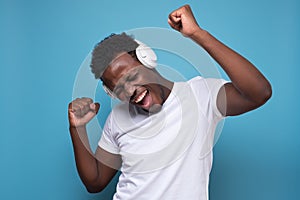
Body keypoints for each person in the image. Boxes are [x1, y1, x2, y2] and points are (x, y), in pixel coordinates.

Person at [68, 4, 272, 200]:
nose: (130, 91)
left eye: (131, 77)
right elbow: (95, 183)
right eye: (119, 89)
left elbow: (259, 92)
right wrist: (77, 129)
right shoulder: (118, 118)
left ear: (146, 58)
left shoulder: (201, 95)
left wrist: (197, 34)